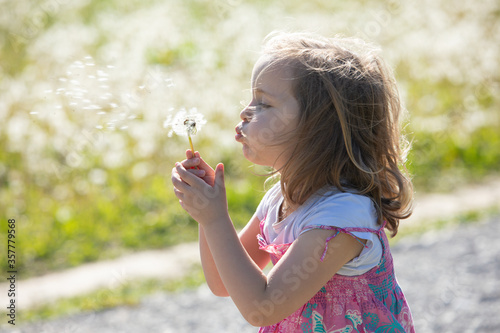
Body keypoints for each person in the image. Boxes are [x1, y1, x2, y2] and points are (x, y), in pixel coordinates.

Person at [171, 31, 415, 332]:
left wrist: (216, 219)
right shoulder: (279, 199)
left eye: (264, 104)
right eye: (250, 99)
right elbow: (223, 283)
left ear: (317, 129)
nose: (245, 111)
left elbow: (262, 308)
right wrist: (205, 217)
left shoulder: (339, 219)